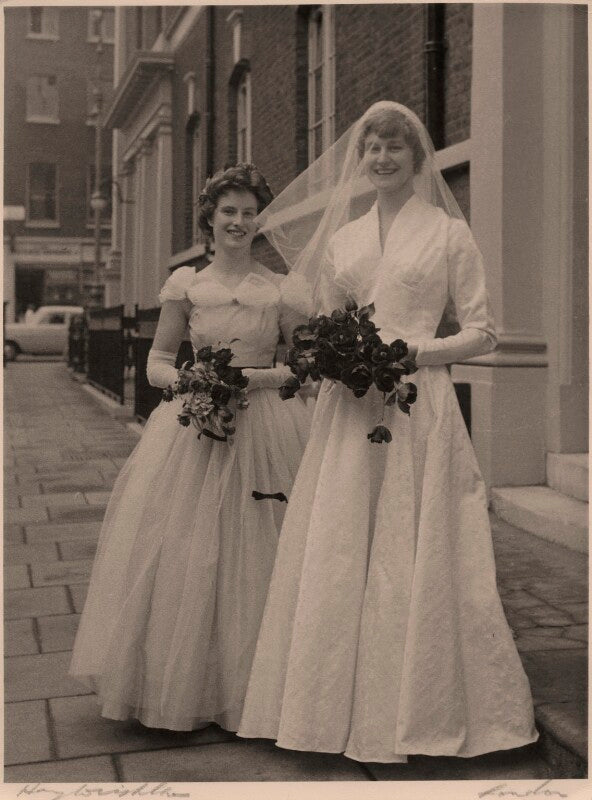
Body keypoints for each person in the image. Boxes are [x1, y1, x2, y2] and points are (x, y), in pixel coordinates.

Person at [238, 102, 538, 762]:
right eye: (372, 147)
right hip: (350, 412)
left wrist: (411, 353)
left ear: (417, 156)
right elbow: (324, 321)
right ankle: (326, 714)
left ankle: (422, 706)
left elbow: (483, 331)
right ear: (361, 158)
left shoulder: (448, 234)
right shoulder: (344, 240)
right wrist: (333, 353)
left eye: (394, 147)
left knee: (420, 540)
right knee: (344, 542)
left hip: (418, 405)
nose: (381, 158)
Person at [70, 164, 313, 732]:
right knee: (189, 546)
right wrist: (193, 382)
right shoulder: (186, 285)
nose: (239, 222)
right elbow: (156, 363)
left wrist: (252, 380)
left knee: (261, 544)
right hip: (196, 428)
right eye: (229, 211)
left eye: (249, 213)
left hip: (269, 428)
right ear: (210, 218)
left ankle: (258, 692)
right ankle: (186, 684)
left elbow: (303, 365)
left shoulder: (281, 288)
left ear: (259, 222)